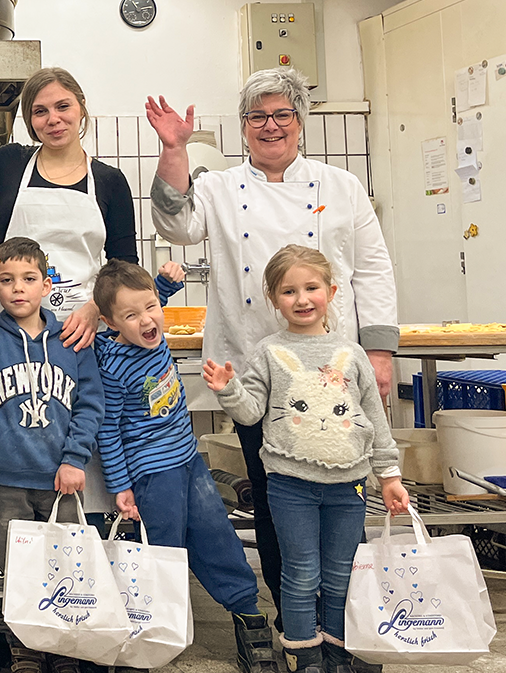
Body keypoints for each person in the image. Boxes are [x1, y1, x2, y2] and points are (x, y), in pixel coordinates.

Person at [146, 67, 399, 625]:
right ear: (242, 127)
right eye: (257, 116)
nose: (270, 125)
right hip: (253, 367)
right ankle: (294, 616)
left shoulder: (340, 186)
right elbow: (175, 225)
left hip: (330, 367)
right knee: (273, 495)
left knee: (342, 494)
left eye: (282, 114)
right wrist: (173, 150)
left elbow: (375, 270)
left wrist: (378, 351)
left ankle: (344, 615)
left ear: (301, 123)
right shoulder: (217, 186)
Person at [0, 69, 138, 519]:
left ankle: (79, 564)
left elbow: (124, 265)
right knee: (11, 431)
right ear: (28, 119)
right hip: (9, 335)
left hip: (78, 335)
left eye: (63, 107)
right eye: (40, 111)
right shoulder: (11, 164)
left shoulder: (110, 181)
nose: (53, 119)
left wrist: (96, 309)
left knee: (82, 447)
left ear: (81, 109)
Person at [203, 245, 410, 673]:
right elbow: (251, 414)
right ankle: (304, 656)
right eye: (288, 291)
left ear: (331, 292)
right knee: (300, 574)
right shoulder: (266, 353)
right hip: (289, 485)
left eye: (311, 288)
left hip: (349, 486)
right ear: (274, 299)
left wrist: (389, 476)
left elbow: (374, 418)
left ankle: (339, 653)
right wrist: (228, 390)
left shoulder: (352, 355)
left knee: (341, 575)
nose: (301, 299)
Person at [90, 259, 279, 673]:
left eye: (151, 307)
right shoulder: (113, 365)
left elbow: (149, 299)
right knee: (161, 553)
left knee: (218, 537)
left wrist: (165, 282)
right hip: (152, 475)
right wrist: (121, 486)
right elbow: (108, 431)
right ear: (110, 322)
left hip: (190, 460)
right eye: (131, 316)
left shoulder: (153, 333)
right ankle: (146, 633)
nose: (146, 320)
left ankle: (249, 618)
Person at [0, 237, 104, 673]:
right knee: (11, 570)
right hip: (4, 480)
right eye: (6, 280)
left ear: (46, 285)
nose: (18, 288)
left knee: (64, 565)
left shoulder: (72, 337)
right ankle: (24, 650)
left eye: (29, 279)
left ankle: (64, 647)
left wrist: (75, 458)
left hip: (60, 480)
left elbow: (90, 403)